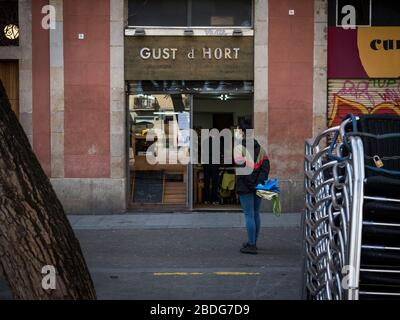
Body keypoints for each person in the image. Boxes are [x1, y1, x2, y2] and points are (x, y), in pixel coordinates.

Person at [234, 121, 270, 254]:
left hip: (246, 187)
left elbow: (242, 169)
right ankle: (253, 241)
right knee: (256, 213)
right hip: (258, 186)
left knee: (249, 214)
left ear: (243, 133)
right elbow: (266, 167)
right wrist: (258, 182)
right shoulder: (260, 148)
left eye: (238, 130)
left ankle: (251, 244)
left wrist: (250, 184)